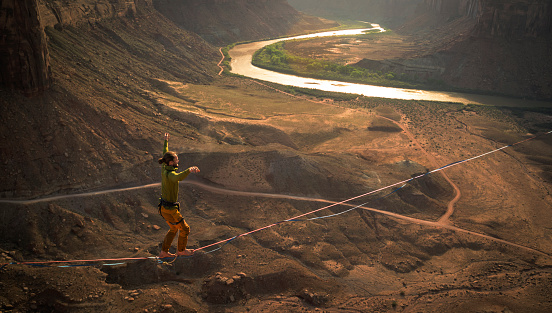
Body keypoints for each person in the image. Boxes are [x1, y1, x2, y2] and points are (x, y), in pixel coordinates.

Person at [157, 133, 200, 258]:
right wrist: (189, 170)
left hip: (163, 208)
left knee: (174, 229)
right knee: (185, 229)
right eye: (176, 159)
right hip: (170, 210)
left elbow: (165, 152)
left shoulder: (164, 167)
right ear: (171, 162)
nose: (178, 161)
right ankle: (181, 250)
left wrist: (166, 141)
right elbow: (178, 177)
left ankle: (164, 252)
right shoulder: (171, 175)